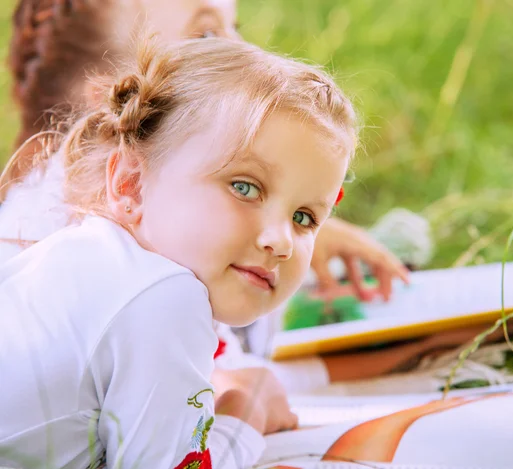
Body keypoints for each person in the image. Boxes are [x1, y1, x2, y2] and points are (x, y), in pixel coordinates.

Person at [0, 35, 356, 468]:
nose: (281, 241)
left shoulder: (83, 259)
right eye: (244, 187)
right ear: (130, 182)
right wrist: (243, 417)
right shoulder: (164, 296)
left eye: (304, 217)